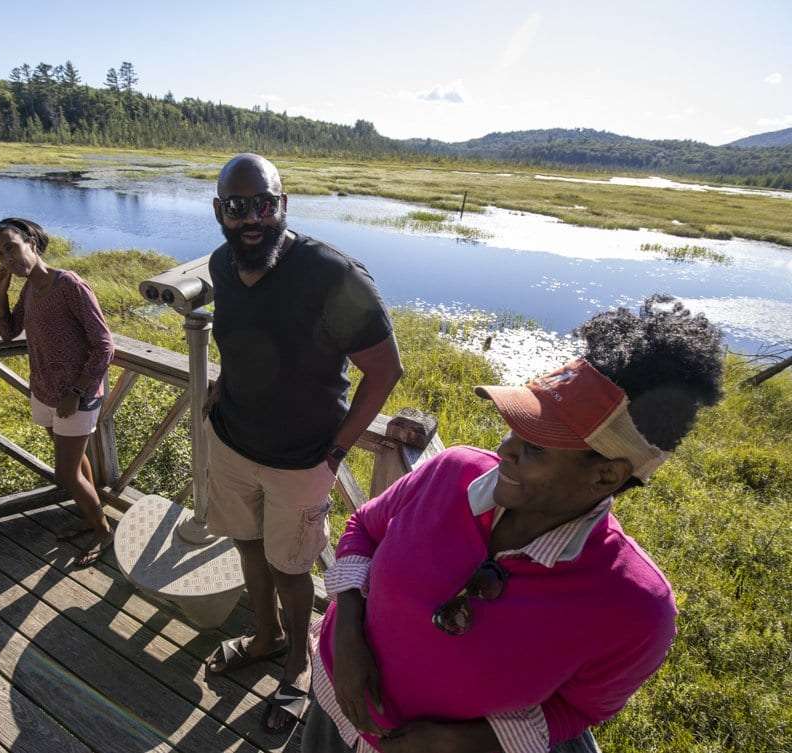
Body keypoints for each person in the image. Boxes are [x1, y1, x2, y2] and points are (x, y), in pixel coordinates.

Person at [306, 297, 724, 753]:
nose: (505, 450)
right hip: (333, 703)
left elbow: (581, 710)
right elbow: (363, 530)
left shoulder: (636, 607)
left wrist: (460, 741)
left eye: (537, 447)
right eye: (516, 428)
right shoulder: (450, 471)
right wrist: (346, 635)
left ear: (606, 475)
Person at [202, 154, 404, 733]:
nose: (252, 218)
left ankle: (297, 664)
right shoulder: (221, 264)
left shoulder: (332, 275)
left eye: (265, 204)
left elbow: (386, 370)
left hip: (301, 460)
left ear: (283, 205)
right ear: (220, 211)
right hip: (232, 442)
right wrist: (222, 382)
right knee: (245, 544)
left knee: (292, 567)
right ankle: (264, 637)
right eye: (238, 207)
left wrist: (336, 452)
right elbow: (241, 340)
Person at [0, 217, 115, 567]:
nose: (6, 259)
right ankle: (93, 518)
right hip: (44, 390)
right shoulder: (29, 288)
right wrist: (0, 293)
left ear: (31, 241)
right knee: (75, 464)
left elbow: (104, 345)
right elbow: (8, 332)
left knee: (65, 472)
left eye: (11, 248)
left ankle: (105, 533)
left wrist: (75, 391)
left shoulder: (69, 284)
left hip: (76, 395)